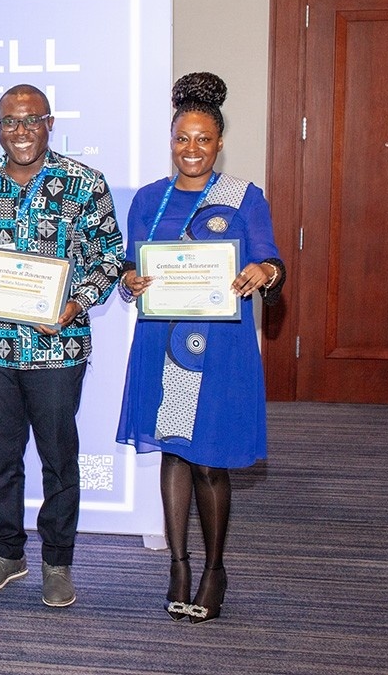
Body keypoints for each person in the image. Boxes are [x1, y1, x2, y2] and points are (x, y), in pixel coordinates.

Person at [0, 84, 123, 607]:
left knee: (58, 458)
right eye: (9, 122)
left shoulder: (84, 184)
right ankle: (8, 553)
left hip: (57, 348)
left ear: (50, 123)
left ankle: (57, 561)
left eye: (31, 120)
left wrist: (72, 304)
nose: (20, 131)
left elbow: (109, 258)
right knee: (1, 457)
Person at [116, 72, 284, 623]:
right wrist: (129, 281)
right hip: (162, 340)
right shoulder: (147, 199)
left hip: (221, 347)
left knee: (211, 460)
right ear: (172, 141)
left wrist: (263, 271)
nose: (192, 149)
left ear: (218, 143)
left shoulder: (245, 197)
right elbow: (130, 265)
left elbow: (272, 260)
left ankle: (215, 568)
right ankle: (179, 565)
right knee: (173, 451)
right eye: (182, 138)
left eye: (203, 139)